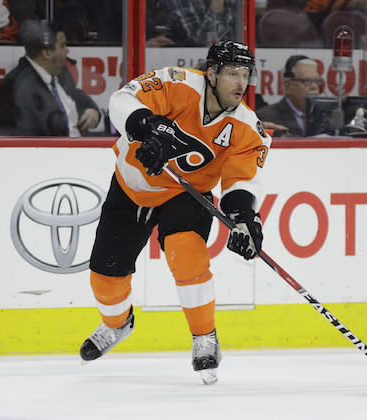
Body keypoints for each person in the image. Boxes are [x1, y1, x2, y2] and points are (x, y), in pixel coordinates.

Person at [79, 41, 270, 386]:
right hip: (131, 187)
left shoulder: (248, 127)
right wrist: (145, 127)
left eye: (246, 75)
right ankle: (117, 324)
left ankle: (204, 337)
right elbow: (122, 100)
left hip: (187, 194)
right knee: (105, 280)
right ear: (211, 73)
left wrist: (244, 216)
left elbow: (242, 180)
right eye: (231, 74)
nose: (240, 83)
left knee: (187, 254)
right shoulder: (177, 83)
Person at [0, 20, 100, 136]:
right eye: (62, 46)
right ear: (47, 53)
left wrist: (92, 110)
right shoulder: (16, 86)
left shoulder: (61, 72)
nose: (67, 50)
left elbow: (75, 95)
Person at [256, 55, 321, 137]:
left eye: (317, 81)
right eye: (307, 81)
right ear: (287, 85)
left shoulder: (323, 115)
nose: (314, 87)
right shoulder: (265, 117)